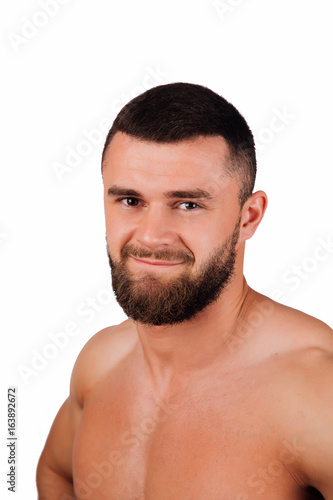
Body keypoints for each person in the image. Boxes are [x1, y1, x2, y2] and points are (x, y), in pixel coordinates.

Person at [36, 82, 332, 500]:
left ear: (249, 217)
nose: (152, 237)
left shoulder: (317, 390)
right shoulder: (99, 365)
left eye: (188, 204)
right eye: (129, 200)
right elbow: (56, 473)